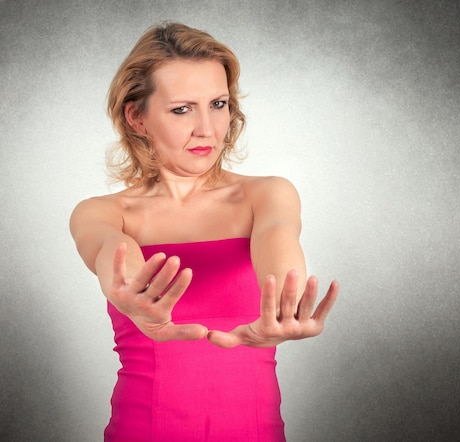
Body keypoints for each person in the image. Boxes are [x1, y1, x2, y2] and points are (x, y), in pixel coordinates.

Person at [69, 22, 339, 442]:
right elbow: (112, 248)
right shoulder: (103, 212)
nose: (208, 129)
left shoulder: (265, 194)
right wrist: (134, 293)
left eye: (217, 104)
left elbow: (278, 237)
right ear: (137, 116)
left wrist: (285, 302)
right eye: (182, 109)